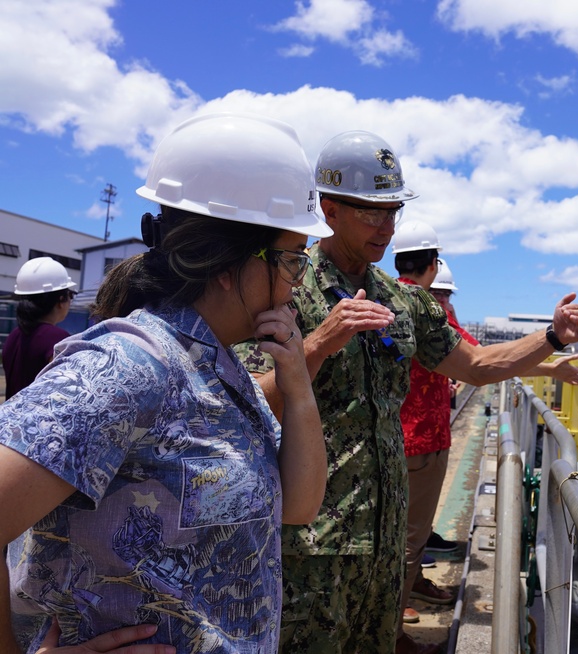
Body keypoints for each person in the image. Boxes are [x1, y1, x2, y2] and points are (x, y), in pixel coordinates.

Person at [232, 130, 578, 654]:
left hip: (384, 542)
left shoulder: (406, 304)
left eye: (392, 210)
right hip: (307, 546)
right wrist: (321, 343)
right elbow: (246, 404)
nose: (386, 226)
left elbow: (479, 366)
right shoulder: (282, 285)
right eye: (370, 212)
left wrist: (553, 337)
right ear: (328, 209)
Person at [0, 112, 340, 654]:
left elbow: (298, 506)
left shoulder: (216, 366)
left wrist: (296, 384)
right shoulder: (128, 368)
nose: (297, 286)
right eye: (294, 260)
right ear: (229, 262)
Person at [393, 231, 578, 636]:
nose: (447, 302)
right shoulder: (429, 312)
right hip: (422, 440)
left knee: (402, 531)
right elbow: (485, 362)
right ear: (432, 265)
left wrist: (551, 366)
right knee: (410, 536)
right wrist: (552, 345)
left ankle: (409, 590)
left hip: (397, 437)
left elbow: (487, 361)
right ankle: (393, 626)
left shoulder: (385, 298)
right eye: (445, 293)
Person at [1, 257, 77, 399]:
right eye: (70, 295)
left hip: (8, 418)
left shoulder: (14, 335)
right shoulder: (57, 338)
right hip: (40, 421)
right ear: (61, 299)